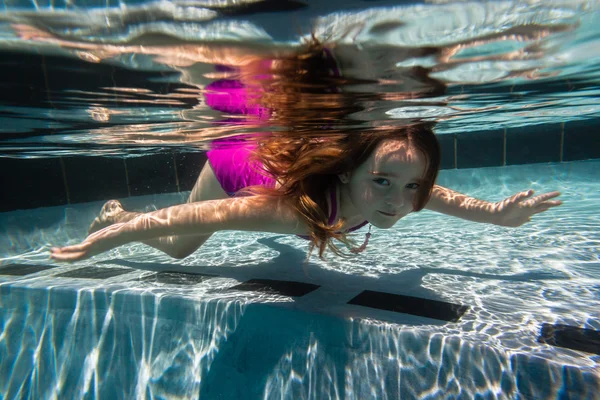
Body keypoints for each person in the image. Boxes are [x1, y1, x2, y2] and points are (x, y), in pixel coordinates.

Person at [50, 123, 562, 262]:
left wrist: (499, 215)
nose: (398, 202)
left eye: (412, 186)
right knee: (184, 247)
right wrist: (108, 237)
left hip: (282, 160)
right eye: (382, 181)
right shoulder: (295, 214)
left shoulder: (403, 194)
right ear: (347, 174)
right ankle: (111, 212)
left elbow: (442, 195)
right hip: (237, 163)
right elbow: (189, 218)